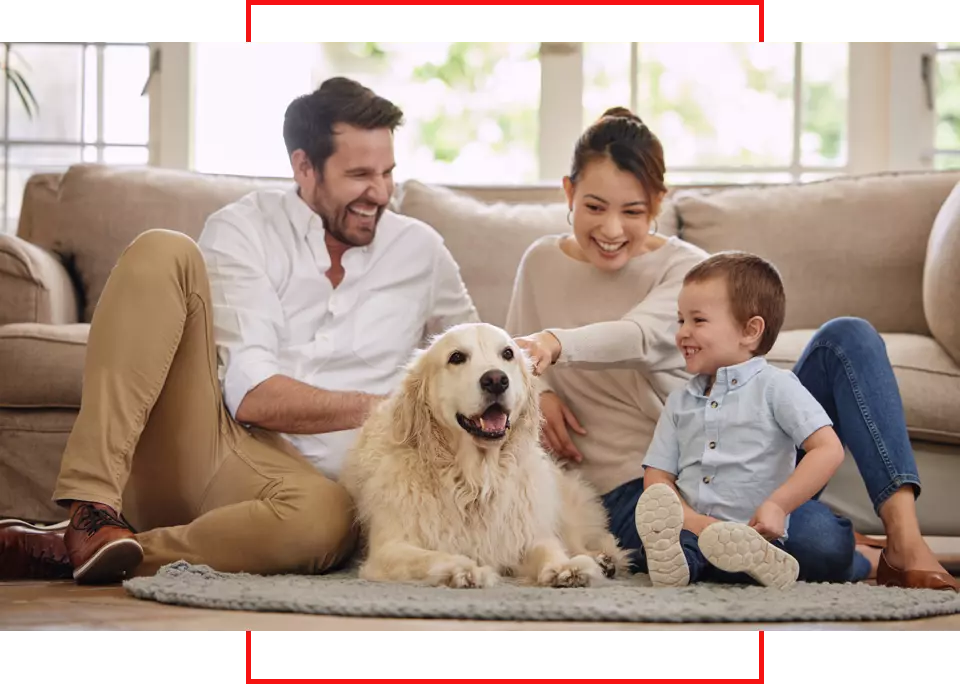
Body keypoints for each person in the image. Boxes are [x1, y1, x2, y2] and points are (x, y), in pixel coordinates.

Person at [0, 77, 479, 584]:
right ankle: (91, 508)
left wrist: (540, 383)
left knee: (325, 526)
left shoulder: (421, 250)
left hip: (320, 491)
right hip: (227, 445)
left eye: (387, 172)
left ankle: (80, 550)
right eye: (359, 174)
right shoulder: (244, 229)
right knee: (164, 249)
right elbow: (252, 397)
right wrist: (389, 407)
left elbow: (478, 348)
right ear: (304, 167)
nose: (380, 193)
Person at [509, 107, 958, 591]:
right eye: (594, 207)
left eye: (633, 210)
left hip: (732, 460)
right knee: (816, 545)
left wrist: (555, 343)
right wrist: (541, 390)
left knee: (848, 338)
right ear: (568, 192)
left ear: (659, 201)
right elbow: (515, 361)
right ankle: (855, 557)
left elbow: (638, 337)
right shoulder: (539, 263)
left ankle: (905, 543)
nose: (612, 229)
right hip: (630, 491)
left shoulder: (691, 272)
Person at [634, 251, 848, 589]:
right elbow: (658, 474)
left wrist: (778, 505)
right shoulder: (680, 401)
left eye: (698, 320)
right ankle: (680, 566)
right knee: (672, 547)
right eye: (680, 321)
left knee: (747, 548)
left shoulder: (776, 387)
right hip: (691, 529)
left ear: (750, 331)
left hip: (753, 530)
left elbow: (828, 449)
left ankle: (757, 561)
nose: (682, 333)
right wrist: (687, 518)